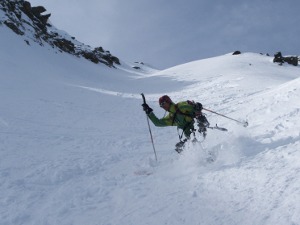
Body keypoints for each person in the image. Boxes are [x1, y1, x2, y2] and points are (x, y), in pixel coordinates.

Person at [142, 95, 210, 153]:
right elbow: (158, 123)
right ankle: (199, 160)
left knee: (196, 136)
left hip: (199, 129)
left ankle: (206, 154)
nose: (163, 107)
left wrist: (197, 106)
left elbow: (194, 108)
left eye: (163, 104)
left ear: (168, 101)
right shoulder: (171, 118)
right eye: (161, 106)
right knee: (179, 147)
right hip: (191, 136)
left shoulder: (180, 106)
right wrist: (149, 112)